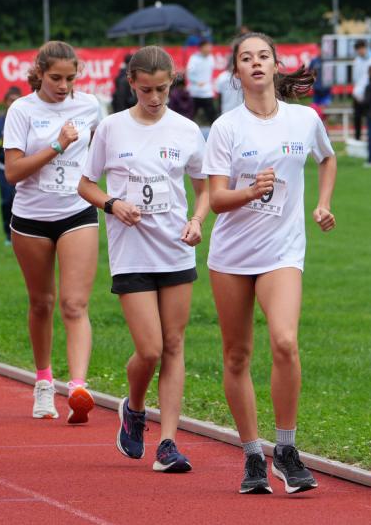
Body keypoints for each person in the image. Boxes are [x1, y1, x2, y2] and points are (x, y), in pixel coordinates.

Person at [204, 32, 336, 495]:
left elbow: (328, 158)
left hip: (283, 252)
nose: (256, 63)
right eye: (246, 58)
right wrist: (249, 191)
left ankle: (285, 448)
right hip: (232, 256)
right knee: (237, 354)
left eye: (263, 56)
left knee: (284, 342)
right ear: (236, 72)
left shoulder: (304, 119)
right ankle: (252, 456)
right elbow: (216, 198)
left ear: (277, 66)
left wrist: (322, 204)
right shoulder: (226, 127)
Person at [78, 45, 208, 473]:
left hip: (174, 247)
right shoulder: (112, 128)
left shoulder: (187, 130)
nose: (155, 97)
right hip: (131, 251)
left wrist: (197, 219)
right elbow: (85, 184)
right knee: (149, 349)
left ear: (173, 81)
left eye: (162, 88)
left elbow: (204, 187)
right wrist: (112, 203)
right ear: (131, 83)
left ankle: (168, 441)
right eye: (147, 89)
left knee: (173, 346)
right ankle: (133, 408)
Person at [3, 41, 101, 424]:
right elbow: (12, 172)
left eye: (70, 78)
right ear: (39, 74)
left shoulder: (90, 106)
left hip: (76, 211)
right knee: (41, 302)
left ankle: (78, 386)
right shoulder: (21, 110)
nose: (63, 86)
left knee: (74, 304)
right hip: (31, 218)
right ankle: (44, 382)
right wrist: (56, 146)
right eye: (55, 78)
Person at [0, 86, 22, 245]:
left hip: (24, 168)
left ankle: (24, 232)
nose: (14, 103)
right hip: (4, 167)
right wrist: (2, 142)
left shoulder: (27, 121)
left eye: (17, 100)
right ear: (5, 102)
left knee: (22, 200)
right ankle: (8, 234)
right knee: (7, 201)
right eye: (11, 100)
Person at [186, 39, 217, 124]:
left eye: (210, 46)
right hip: (195, 93)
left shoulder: (211, 58)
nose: (210, 48)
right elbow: (189, 73)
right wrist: (196, 82)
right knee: (190, 117)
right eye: (207, 46)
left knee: (212, 117)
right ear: (201, 47)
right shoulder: (194, 58)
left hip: (207, 93)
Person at [351, 40, 371, 140]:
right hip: (358, 93)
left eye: (362, 48)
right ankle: (357, 137)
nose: (360, 51)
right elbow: (355, 79)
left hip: (370, 93)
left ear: (365, 47)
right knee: (357, 116)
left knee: (370, 116)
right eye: (358, 49)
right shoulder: (356, 61)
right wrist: (357, 92)